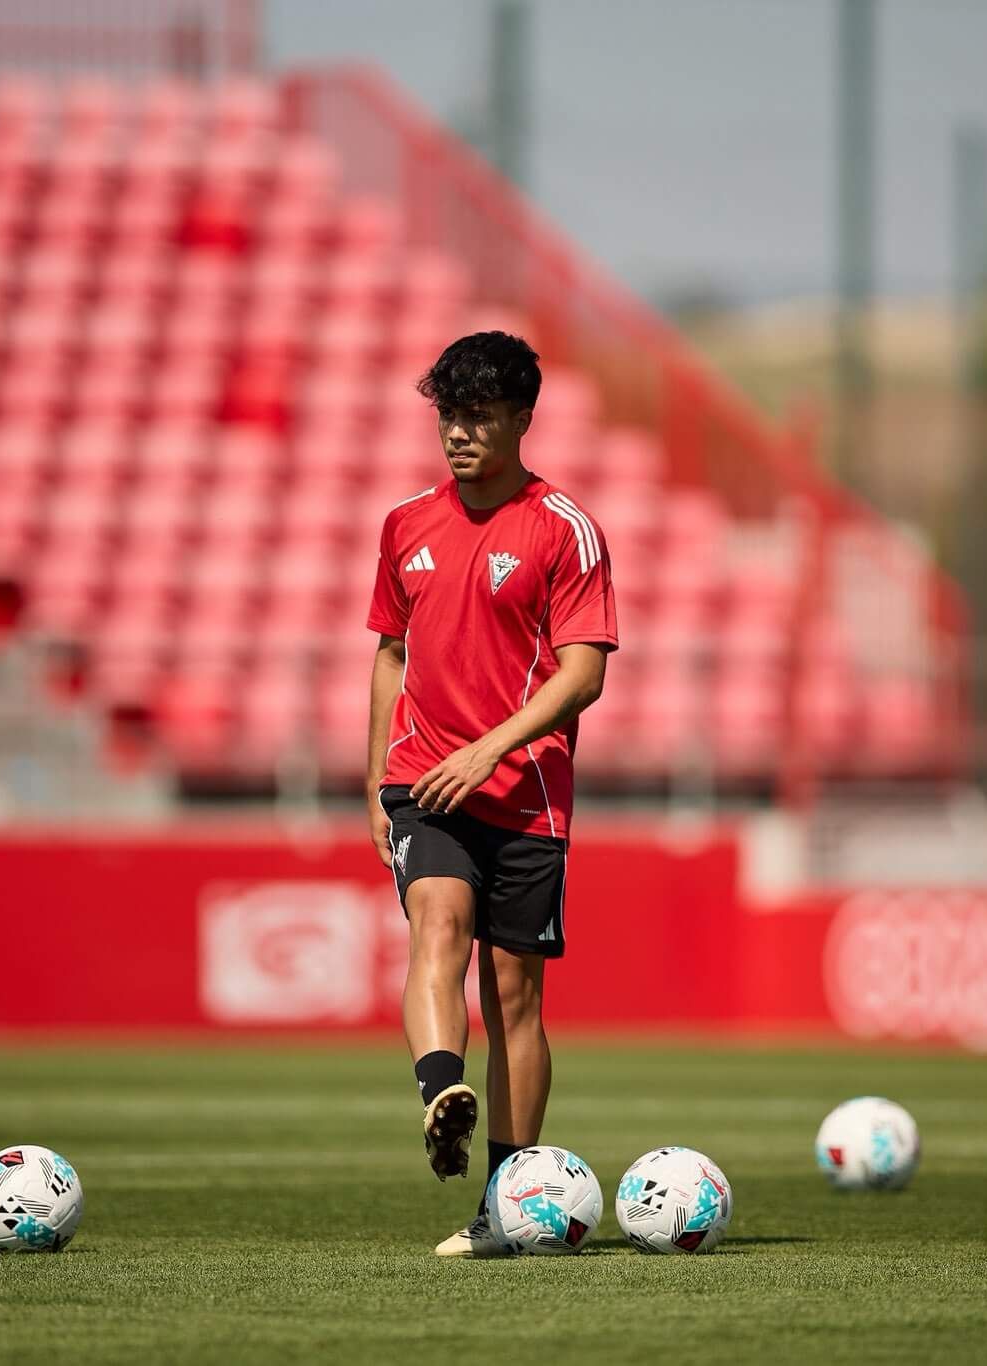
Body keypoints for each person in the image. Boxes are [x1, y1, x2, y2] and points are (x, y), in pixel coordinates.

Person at [364, 331, 617, 1257]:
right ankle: (443, 1092)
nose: (459, 433)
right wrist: (375, 781)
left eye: (477, 415)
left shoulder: (564, 529)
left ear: (521, 418)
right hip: (424, 779)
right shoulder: (405, 525)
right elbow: (390, 654)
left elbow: (584, 675)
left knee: (514, 995)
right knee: (438, 925)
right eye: (448, 416)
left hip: (525, 792)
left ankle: (502, 1211)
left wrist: (491, 749)